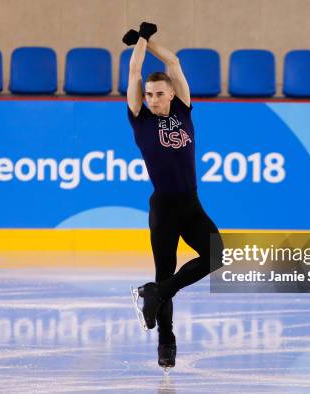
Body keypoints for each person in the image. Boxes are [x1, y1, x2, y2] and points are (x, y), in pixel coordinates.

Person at [123, 22, 224, 370]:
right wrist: (139, 41)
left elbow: (175, 63)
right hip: (164, 207)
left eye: (158, 94)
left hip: (191, 204)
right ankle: (166, 342)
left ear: (171, 94)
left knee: (216, 256)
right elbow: (134, 69)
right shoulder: (140, 119)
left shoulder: (183, 109)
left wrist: (148, 40)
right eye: (148, 95)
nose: (153, 99)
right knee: (164, 270)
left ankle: (157, 292)